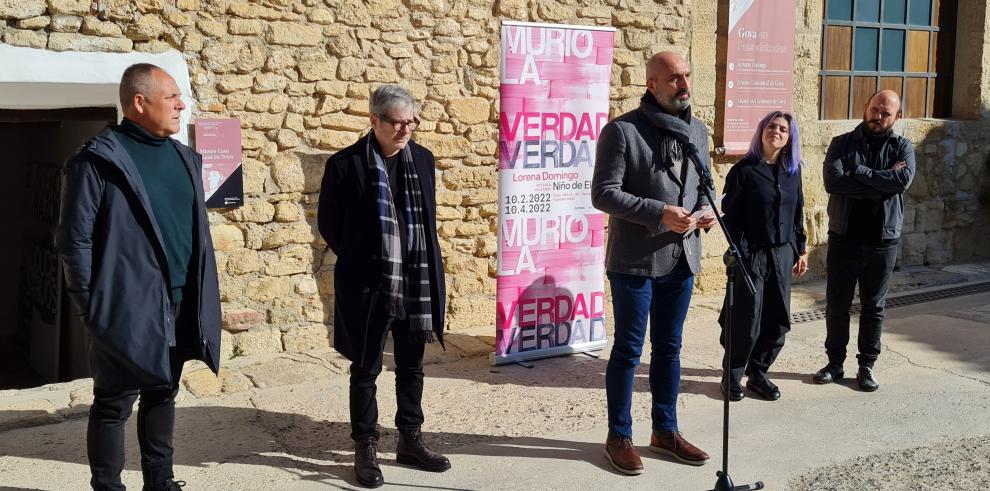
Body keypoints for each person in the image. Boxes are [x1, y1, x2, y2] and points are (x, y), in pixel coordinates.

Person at [56, 63, 222, 491]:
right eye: (172, 97)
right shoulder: (96, 162)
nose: (181, 104)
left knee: (164, 391)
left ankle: (160, 481)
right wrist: (91, 307)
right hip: (126, 305)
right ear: (139, 101)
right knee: (114, 402)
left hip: (182, 300)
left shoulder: (185, 157)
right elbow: (75, 242)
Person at [317, 84, 450, 488]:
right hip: (369, 285)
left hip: (416, 281)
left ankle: (410, 439)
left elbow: (426, 219)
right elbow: (330, 226)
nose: (405, 129)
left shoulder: (423, 160)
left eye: (411, 121)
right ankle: (365, 445)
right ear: (374, 121)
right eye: (397, 122)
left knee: (411, 365)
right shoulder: (345, 165)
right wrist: (367, 260)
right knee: (366, 367)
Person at [591, 51, 715, 475]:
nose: (683, 84)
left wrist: (706, 211)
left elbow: (704, 186)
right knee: (628, 349)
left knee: (669, 348)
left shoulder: (697, 130)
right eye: (673, 78)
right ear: (652, 85)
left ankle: (665, 430)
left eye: (686, 75)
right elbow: (604, 194)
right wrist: (659, 211)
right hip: (636, 262)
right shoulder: (622, 131)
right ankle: (619, 436)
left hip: (682, 258)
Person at [814, 90, 915, 391]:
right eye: (874, 109)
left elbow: (901, 181)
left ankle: (866, 366)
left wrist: (856, 172)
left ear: (897, 117)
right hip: (844, 237)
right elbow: (833, 182)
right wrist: (880, 182)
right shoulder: (841, 143)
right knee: (837, 304)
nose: (878, 116)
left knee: (873, 306)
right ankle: (834, 363)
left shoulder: (903, 147)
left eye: (886, 113)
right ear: (865, 108)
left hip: (882, 242)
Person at [718, 111, 808, 402]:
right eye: (771, 126)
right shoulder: (744, 171)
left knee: (777, 318)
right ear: (761, 131)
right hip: (752, 254)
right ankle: (731, 376)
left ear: (789, 137)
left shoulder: (793, 172)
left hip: (783, 254)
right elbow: (729, 219)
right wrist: (740, 252)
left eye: (783, 129)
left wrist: (801, 249)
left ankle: (758, 373)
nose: (776, 132)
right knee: (746, 319)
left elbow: (797, 214)